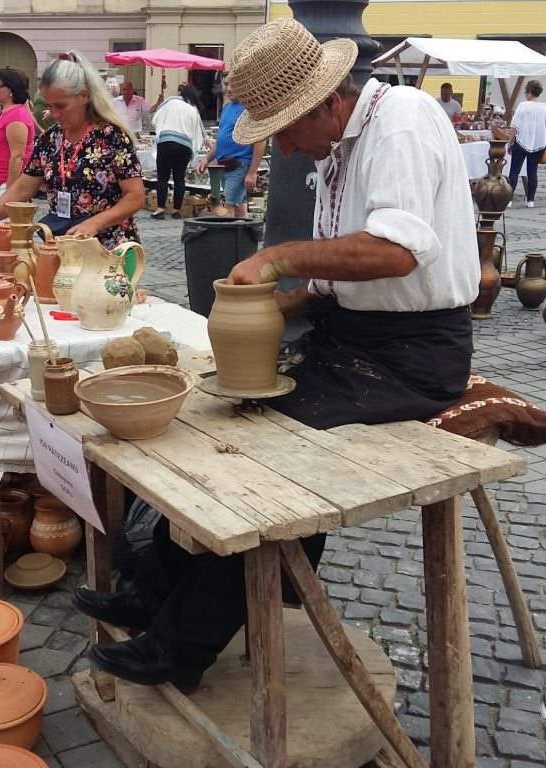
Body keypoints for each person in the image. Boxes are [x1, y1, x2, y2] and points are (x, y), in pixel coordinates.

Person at [76, 18, 479, 693]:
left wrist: (278, 255)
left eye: (287, 128)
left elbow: (397, 252)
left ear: (329, 102)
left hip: (418, 354)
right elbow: (334, 281)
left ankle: (182, 643)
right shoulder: (338, 148)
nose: (284, 149)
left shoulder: (401, 122)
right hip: (353, 339)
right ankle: (158, 594)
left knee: (272, 448)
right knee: (228, 420)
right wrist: (277, 301)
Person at [0, 51, 144, 248]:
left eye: (61, 106)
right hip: (62, 246)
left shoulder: (112, 137)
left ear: (84, 96)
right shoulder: (49, 140)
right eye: (49, 106)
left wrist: (95, 223)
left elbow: (136, 196)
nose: (54, 114)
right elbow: (21, 189)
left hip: (108, 249)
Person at [197, 78, 265, 217]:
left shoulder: (250, 108)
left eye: (234, 83)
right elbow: (221, 140)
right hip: (224, 166)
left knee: (227, 209)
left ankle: (224, 238)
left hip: (239, 166)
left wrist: (252, 172)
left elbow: (260, 140)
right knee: (238, 205)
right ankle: (246, 237)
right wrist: (206, 159)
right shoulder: (227, 107)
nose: (229, 88)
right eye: (227, 84)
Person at [149, 84, 208, 219]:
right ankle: (176, 210)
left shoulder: (170, 101)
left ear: (181, 93)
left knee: (163, 177)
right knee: (179, 178)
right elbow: (201, 133)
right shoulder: (193, 109)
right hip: (185, 146)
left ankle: (160, 209)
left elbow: (157, 117)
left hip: (167, 142)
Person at [0, 69, 34, 201]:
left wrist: (10, 191)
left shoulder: (16, 115)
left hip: (11, 183)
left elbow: (17, 156)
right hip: (0, 181)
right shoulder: (5, 112)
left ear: (11, 89)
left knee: (5, 221)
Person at [507, 79, 546, 208]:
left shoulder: (523, 105)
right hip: (538, 143)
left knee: (514, 171)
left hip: (521, 141)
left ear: (529, 92)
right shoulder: (544, 107)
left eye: (526, 92)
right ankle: (530, 200)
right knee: (532, 171)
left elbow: (514, 126)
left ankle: (509, 199)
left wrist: (510, 142)